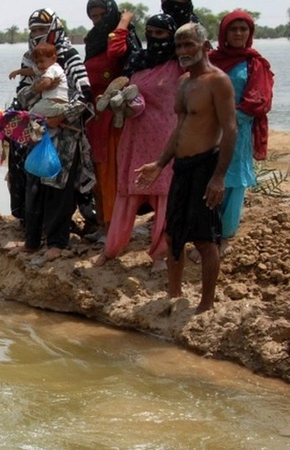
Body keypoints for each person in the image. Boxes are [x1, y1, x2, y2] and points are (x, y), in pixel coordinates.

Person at [134, 22, 236, 314]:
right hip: (182, 166)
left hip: (207, 166)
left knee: (205, 239)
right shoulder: (183, 83)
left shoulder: (218, 81)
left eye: (189, 44)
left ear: (205, 47)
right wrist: (159, 162)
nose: (183, 51)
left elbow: (230, 130)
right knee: (172, 235)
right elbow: (179, 129)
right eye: (179, 46)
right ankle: (173, 293)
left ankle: (206, 304)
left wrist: (219, 177)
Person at [93, 14, 183, 273]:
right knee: (128, 194)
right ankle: (111, 251)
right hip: (135, 135)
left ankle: (159, 255)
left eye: (161, 34)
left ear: (171, 36)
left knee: (165, 197)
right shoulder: (136, 61)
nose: (155, 39)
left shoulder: (179, 64)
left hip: (166, 137)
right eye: (150, 33)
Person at [20, 8, 96, 264]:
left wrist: (60, 118)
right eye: (34, 32)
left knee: (59, 188)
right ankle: (32, 241)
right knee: (33, 185)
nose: (38, 37)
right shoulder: (30, 59)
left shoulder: (69, 56)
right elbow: (22, 97)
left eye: (42, 31)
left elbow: (85, 95)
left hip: (65, 132)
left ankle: (56, 243)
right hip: (37, 130)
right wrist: (37, 87)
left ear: (54, 29)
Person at [208, 10, 274, 256]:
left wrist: (227, 120)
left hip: (238, 131)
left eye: (243, 29)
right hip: (207, 130)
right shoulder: (211, 59)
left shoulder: (255, 63)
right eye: (233, 29)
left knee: (233, 182)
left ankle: (225, 236)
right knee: (209, 178)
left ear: (250, 33)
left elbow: (259, 102)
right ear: (224, 32)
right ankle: (208, 234)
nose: (238, 34)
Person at [83, 0, 141, 241]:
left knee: (110, 169)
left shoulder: (121, 38)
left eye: (101, 14)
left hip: (112, 114)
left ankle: (113, 225)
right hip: (94, 114)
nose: (97, 20)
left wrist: (123, 22)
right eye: (93, 16)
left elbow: (116, 52)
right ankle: (101, 221)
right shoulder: (93, 39)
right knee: (96, 168)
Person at [26, 42, 72, 121]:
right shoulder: (56, 68)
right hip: (56, 103)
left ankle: (64, 110)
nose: (39, 65)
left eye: (41, 61)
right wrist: (17, 72)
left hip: (52, 103)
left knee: (30, 114)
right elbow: (32, 71)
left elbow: (46, 83)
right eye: (36, 63)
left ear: (53, 59)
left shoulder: (51, 69)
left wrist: (36, 89)